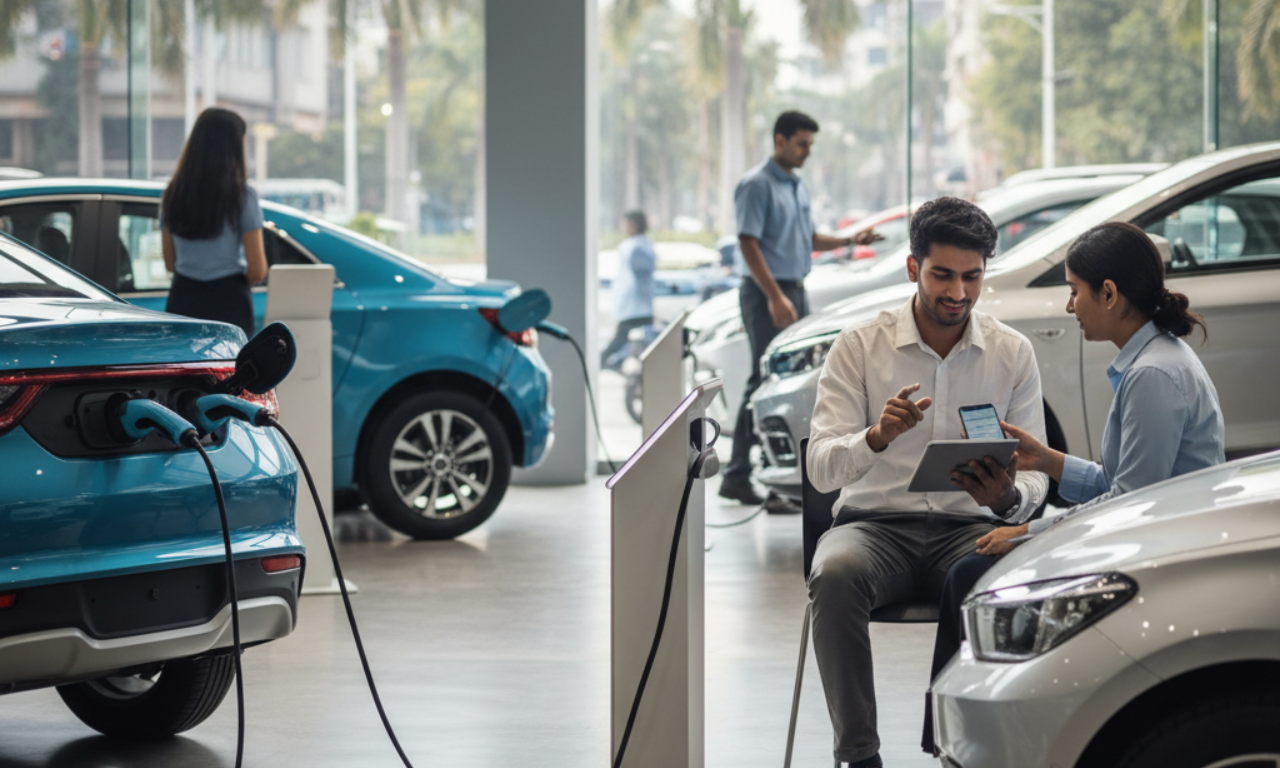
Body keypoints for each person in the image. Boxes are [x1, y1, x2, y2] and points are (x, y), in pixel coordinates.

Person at [921, 221, 1225, 754]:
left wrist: (1025, 533)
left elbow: (1132, 505)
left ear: (1108, 293)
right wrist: (1051, 462)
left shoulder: (1154, 374)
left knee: (971, 574)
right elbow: (1129, 484)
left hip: (1156, 544)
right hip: (1154, 530)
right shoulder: (1154, 360)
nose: (1069, 306)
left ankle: (958, 745)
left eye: (1073, 290)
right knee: (970, 569)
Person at [806, 197, 1050, 768]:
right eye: (943, 275)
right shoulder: (859, 346)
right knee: (834, 573)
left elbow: (1035, 472)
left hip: (970, 530)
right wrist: (874, 438)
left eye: (972, 277)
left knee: (1006, 578)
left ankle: (967, 753)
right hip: (873, 528)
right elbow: (819, 467)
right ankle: (859, 756)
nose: (958, 294)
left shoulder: (1012, 353)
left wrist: (1009, 498)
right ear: (913, 267)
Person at [719, 110, 880, 506]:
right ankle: (737, 473)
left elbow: (806, 237)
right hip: (766, 293)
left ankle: (774, 477)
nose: (807, 151)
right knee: (766, 381)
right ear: (780, 141)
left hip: (793, 288)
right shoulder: (756, 185)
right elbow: (748, 244)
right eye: (801, 143)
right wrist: (775, 296)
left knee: (787, 381)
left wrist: (847, 240)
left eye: (810, 144)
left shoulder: (795, 186)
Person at [161, 107, 267, 339]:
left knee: (186, 372)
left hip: (183, 298)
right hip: (229, 300)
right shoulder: (243, 196)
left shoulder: (172, 194)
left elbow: (170, 263)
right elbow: (258, 270)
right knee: (230, 373)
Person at [601, 210, 656, 369]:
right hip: (636, 306)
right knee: (630, 340)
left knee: (623, 340)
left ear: (633, 225)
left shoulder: (635, 247)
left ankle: (602, 362)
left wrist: (647, 302)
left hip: (635, 306)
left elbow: (642, 278)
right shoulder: (641, 245)